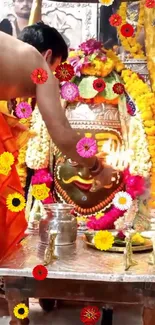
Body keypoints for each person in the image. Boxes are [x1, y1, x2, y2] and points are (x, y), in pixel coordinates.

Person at [0, 23, 114, 260]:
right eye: (58, 69)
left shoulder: (10, 50)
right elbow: (62, 133)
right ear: (48, 56)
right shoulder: (39, 67)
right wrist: (97, 168)